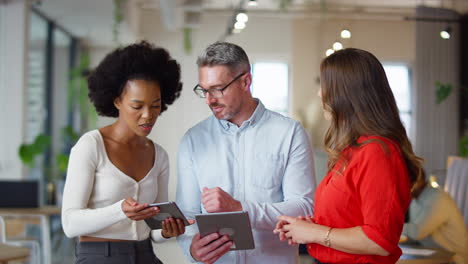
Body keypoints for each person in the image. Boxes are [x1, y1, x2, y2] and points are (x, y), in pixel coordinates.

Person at [274, 48, 425, 264]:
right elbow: (350, 217)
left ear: (347, 93)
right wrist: (309, 227)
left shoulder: (377, 153)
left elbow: (379, 240)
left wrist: (315, 234)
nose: (320, 94)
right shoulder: (352, 150)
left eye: (325, 86)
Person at [176, 41, 316, 264]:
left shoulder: (289, 133)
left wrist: (240, 209)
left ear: (246, 81)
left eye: (218, 89)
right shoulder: (193, 140)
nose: (210, 100)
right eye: (204, 90)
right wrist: (191, 250)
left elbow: (304, 206)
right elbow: (187, 215)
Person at [61, 41, 188, 264]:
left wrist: (167, 231)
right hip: (98, 257)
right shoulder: (91, 146)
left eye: (155, 105)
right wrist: (120, 210)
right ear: (117, 101)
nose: (148, 115)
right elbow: (70, 224)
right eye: (137, 106)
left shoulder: (159, 156)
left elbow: (155, 229)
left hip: (146, 255)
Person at [403, 172, 468, 264]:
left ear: (418, 182)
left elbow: (417, 232)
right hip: (434, 253)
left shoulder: (438, 198)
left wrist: (391, 228)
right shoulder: (415, 200)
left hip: (454, 258)